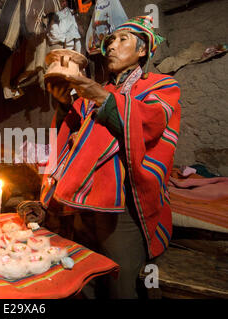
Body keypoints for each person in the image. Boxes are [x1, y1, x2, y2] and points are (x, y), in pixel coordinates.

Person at [42, 16, 181, 298]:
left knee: (119, 281)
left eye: (122, 40)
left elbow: (148, 125)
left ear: (143, 51)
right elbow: (75, 135)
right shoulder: (100, 89)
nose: (112, 47)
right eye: (110, 41)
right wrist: (65, 104)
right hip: (86, 202)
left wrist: (102, 99)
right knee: (84, 273)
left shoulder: (161, 86)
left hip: (124, 205)